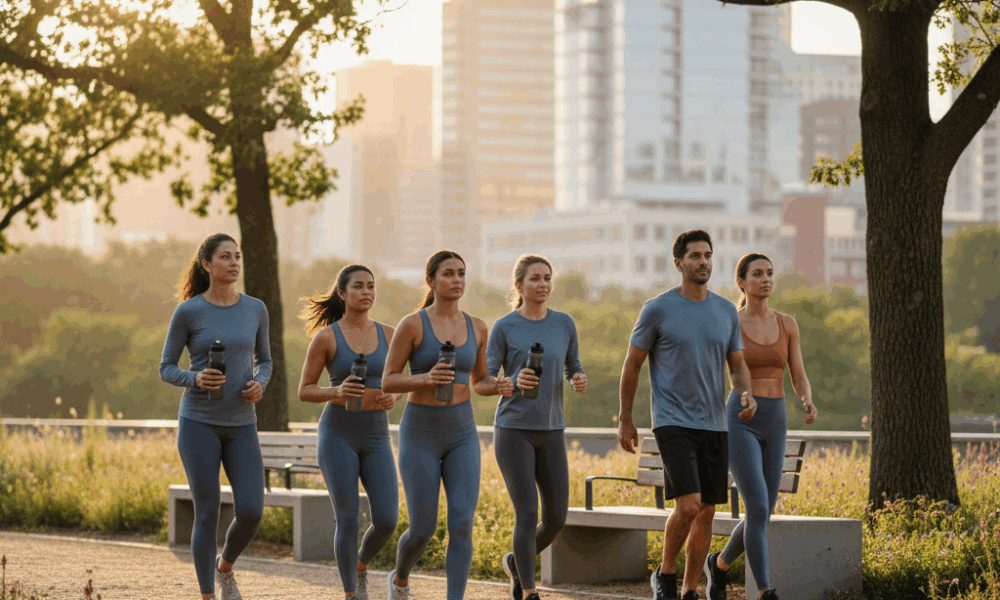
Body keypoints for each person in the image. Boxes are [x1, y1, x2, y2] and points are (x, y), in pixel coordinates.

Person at [617, 229, 756, 600]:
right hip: (672, 421)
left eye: (708, 255)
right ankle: (665, 574)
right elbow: (632, 365)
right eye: (695, 256)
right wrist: (625, 419)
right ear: (679, 263)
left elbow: (738, 364)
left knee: (707, 511)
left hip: (714, 423)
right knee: (689, 504)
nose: (704, 261)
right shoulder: (657, 308)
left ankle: (690, 589)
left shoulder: (727, 310)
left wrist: (745, 392)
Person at [382, 250, 513, 600]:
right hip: (419, 432)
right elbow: (388, 380)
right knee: (422, 528)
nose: (456, 280)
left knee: (461, 523)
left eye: (461, 274)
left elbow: (480, 380)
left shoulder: (478, 326)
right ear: (431, 280)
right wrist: (424, 378)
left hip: (461, 433)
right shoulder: (413, 325)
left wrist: (499, 385)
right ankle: (400, 578)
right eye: (448, 274)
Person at [160, 233, 272, 600]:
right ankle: (208, 594)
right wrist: (194, 377)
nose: (234, 262)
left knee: (252, 510)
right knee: (207, 513)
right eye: (225, 257)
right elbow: (166, 368)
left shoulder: (255, 308)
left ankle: (225, 567)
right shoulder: (189, 311)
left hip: (242, 424)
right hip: (199, 422)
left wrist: (260, 383)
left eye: (237, 256)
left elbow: (266, 361)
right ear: (207, 265)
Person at [702, 254, 818, 600]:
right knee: (757, 506)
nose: (765, 279)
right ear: (742, 282)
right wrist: (743, 394)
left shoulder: (788, 324)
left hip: (776, 417)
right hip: (742, 418)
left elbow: (797, 373)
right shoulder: (730, 323)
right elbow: (722, 370)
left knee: (765, 509)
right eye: (757, 274)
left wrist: (806, 398)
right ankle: (765, 591)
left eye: (769, 273)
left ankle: (719, 565)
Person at [487, 255, 588, 600]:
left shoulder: (564, 324)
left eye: (547, 278)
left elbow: (574, 365)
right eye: (534, 279)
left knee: (557, 517)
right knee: (527, 512)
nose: (543, 284)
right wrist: (510, 381)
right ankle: (528, 590)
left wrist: (578, 377)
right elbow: (486, 380)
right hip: (514, 428)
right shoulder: (504, 327)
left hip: (552, 428)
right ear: (519, 285)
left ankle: (517, 562)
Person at [297, 265, 401, 600]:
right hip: (338, 433)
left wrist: (393, 395)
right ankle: (351, 593)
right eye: (358, 286)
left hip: (376, 434)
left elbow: (403, 379)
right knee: (348, 518)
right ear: (342, 293)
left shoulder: (390, 334)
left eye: (371, 285)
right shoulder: (327, 337)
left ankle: (360, 564)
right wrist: (336, 392)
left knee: (387, 519)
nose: (367, 292)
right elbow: (305, 390)